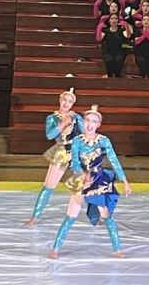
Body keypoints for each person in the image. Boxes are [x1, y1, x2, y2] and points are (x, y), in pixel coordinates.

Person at [49, 105, 132, 259]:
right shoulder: (77, 141)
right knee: (71, 215)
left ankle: (117, 249)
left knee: (106, 216)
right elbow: (74, 162)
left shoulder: (103, 141)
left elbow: (114, 161)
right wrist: (82, 175)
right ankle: (55, 248)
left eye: (94, 121)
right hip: (82, 180)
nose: (90, 124)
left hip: (98, 180)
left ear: (98, 124)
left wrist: (125, 181)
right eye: (87, 120)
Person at [25, 89, 84, 226]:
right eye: (64, 100)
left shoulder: (76, 117)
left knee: (88, 185)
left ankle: (97, 216)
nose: (66, 104)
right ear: (60, 100)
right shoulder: (52, 118)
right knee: (48, 186)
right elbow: (50, 135)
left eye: (70, 101)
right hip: (61, 152)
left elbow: (85, 133)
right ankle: (35, 216)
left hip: (77, 153)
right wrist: (63, 123)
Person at [97, 13, 131, 77]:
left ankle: (117, 75)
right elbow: (98, 39)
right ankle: (109, 75)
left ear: (118, 21)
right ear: (109, 21)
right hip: (108, 51)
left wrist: (126, 26)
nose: (114, 20)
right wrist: (99, 27)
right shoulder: (105, 31)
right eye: (112, 18)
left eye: (116, 19)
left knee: (118, 60)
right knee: (109, 60)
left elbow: (128, 36)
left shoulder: (121, 31)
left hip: (119, 51)